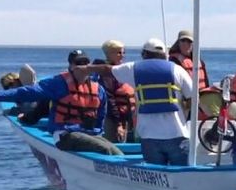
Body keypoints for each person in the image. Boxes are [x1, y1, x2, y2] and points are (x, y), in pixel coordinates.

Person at [77, 38, 196, 166]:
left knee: (154, 173)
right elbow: (193, 99)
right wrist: (185, 113)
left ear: (144, 54)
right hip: (177, 134)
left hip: (149, 136)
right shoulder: (177, 70)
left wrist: (85, 69)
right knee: (181, 171)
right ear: (164, 54)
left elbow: (107, 69)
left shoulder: (133, 68)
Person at [0, 50, 121, 155]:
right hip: (65, 135)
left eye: (85, 62)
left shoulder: (98, 89)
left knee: (115, 149)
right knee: (107, 149)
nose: (82, 66)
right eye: (77, 63)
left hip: (88, 134)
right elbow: (23, 93)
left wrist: (98, 132)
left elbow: (101, 115)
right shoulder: (58, 84)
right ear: (71, 66)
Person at [98, 40, 136, 143]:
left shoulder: (120, 71)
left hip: (125, 117)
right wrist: (118, 123)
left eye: (123, 52)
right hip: (112, 119)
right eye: (119, 53)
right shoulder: (107, 74)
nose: (122, 56)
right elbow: (109, 99)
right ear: (109, 54)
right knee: (114, 144)